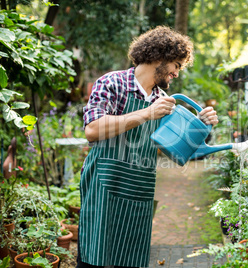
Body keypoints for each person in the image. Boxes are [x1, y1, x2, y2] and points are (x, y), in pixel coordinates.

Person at [77, 26, 218, 268]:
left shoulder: (162, 100)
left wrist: (198, 127)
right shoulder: (112, 83)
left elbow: (174, 152)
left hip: (138, 188)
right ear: (158, 57)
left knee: (129, 260)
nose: (176, 73)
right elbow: (92, 128)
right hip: (104, 184)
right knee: (93, 260)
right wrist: (145, 114)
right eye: (175, 64)